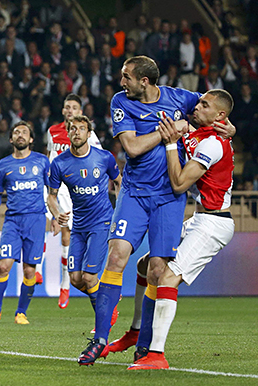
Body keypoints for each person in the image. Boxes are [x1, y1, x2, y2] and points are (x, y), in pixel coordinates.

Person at [77, 55, 202, 365]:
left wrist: (226, 127)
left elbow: (213, 108)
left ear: (144, 81)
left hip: (169, 197)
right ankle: (100, 339)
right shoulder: (121, 102)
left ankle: (144, 345)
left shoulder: (180, 97)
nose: (122, 82)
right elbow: (131, 148)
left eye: (126, 77)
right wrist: (171, 131)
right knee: (117, 255)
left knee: (158, 269)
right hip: (134, 194)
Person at [129, 91, 235, 370]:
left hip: (214, 223)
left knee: (167, 278)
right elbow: (191, 129)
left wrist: (170, 145)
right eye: (198, 103)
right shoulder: (204, 133)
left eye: (204, 105)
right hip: (201, 219)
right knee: (144, 265)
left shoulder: (213, 144)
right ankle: (136, 330)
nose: (196, 107)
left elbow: (178, 184)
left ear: (220, 116)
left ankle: (156, 355)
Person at [47, 115, 121, 323]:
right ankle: (107, 296)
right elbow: (51, 196)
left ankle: (104, 319)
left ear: (89, 134)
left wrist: (120, 211)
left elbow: (119, 183)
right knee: (76, 279)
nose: (76, 132)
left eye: (81, 129)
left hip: (101, 222)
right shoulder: (60, 164)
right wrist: (56, 212)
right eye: (73, 129)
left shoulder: (104, 158)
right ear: (68, 133)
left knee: (89, 277)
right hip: (78, 225)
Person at [0, 121, 49, 326]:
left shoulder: (42, 161)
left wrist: (55, 216)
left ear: (31, 139)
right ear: (11, 139)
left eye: (24, 132)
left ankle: (21, 312)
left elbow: (53, 191)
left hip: (36, 220)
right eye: (16, 132)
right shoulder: (3, 165)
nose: (20, 135)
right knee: (3, 266)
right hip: (12, 221)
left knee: (30, 271)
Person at [46, 94, 102, 309]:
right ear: (63, 111)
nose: (70, 111)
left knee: (80, 237)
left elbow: (97, 158)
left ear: (81, 112)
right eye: (67, 107)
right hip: (58, 188)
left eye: (74, 108)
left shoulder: (90, 135)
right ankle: (65, 284)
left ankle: (74, 280)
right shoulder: (53, 131)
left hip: (81, 188)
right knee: (64, 232)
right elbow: (49, 156)